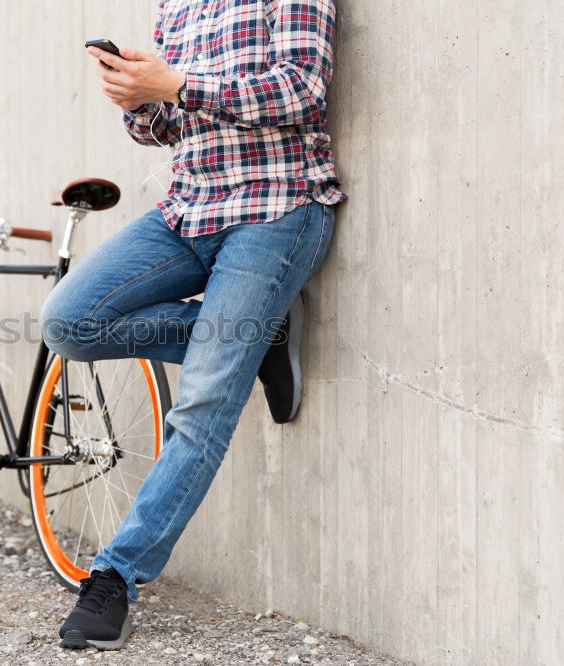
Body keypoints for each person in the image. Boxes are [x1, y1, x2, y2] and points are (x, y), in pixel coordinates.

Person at [39, 0, 345, 650]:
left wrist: (175, 84)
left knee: (204, 401)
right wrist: (139, 99)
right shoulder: (178, 6)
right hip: (189, 208)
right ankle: (258, 337)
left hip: (278, 205)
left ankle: (116, 577)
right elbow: (171, 129)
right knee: (68, 321)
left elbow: (302, 91)